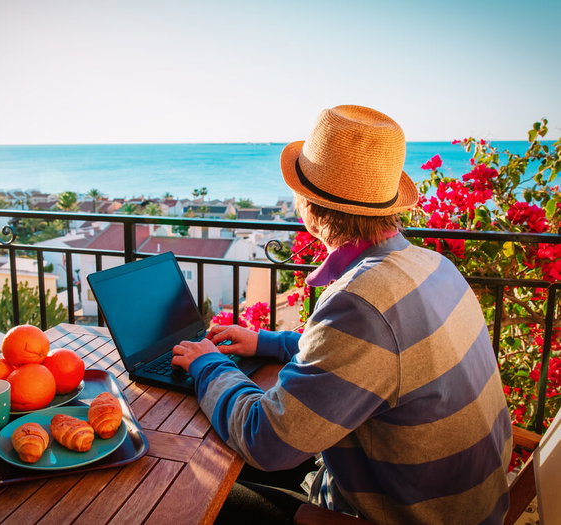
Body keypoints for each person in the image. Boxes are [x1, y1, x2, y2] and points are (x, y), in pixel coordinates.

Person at [171, 105, 512, 524]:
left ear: (310, 209)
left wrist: (208, 365)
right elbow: (382, 357)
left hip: (413, 516)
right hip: (470, 506)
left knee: (201, 487)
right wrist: (268, 342)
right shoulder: (432, 266)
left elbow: (268, 442)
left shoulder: (362, 301)